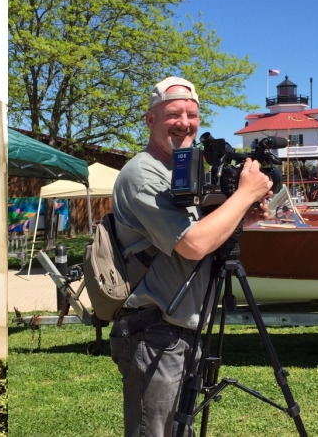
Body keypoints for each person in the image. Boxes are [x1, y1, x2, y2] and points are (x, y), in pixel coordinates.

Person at [109, 76, 273, 436]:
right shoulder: (142, 174)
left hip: (185, 330)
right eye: (173, 114)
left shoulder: (182, 168)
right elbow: (193, 244)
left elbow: (202, 234)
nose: (185, 123)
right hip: (154, 334)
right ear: (151, 120)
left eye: (192, 114)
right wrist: (244, 195)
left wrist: (242, 215)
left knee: (179, 430)